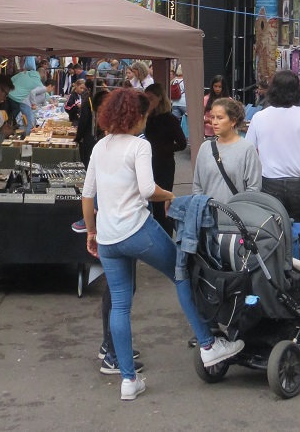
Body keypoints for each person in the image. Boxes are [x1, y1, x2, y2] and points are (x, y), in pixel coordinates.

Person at [81, 89, 244, 401]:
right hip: (137, 230)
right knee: (182, 274)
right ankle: (208, 344)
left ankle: (128, 379)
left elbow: (88, 196)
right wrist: (169, 195)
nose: (146, 120)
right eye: (143, 115)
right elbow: (147, 190)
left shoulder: (100, 146)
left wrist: (91, 232)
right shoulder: (139, 145)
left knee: (120, 305)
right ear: (135, 117)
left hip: (108, 237)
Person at [244, 69, 300, 221]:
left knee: (272, 227)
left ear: (272, 90)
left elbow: (250, 151)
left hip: (269, 183)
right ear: (297, 91)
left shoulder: (259, 117)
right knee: (299, 225)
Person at [192, 98, 262, 203]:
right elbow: (197, 184)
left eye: (220, 118)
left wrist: (241, 209)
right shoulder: (205, 147)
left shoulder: (247, 149)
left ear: (233, 121)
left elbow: (254, 187)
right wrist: (200, 206)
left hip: (235, 210)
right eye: (212, 117)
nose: (214, 122)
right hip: (207, 211)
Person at [144, 83, 187, 233]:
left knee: (162, 206)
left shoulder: (170, 119)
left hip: (164, 165)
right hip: (147, 164)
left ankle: (166, 237)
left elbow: (182, 143)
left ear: (160, 98)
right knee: (148, 203)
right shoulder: (147, 118)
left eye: (151, 99)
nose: (148, 102)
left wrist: (163, 149)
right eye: (146, 99)